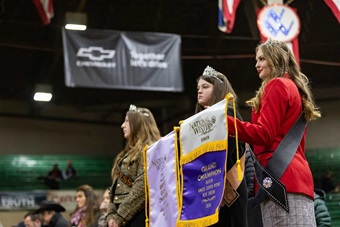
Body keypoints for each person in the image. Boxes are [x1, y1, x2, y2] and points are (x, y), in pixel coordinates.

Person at [226, 38, 321, 226]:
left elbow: (264, 134)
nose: (256, 64)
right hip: (292, 179)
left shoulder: (277, 85)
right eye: (256, 60)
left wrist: (225, 123)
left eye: (261, 59)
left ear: (275, 58)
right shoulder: (293, 87)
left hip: (280, 180)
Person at [195, 66, 247, 227]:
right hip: (209, 186)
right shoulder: (197, 120)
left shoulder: (228, 112)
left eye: (205, 87)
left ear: (217, 89)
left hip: (229, 186)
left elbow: (225, 150)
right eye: (198, 88)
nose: (199, 91)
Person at [105, 105, 161, 227]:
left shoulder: (150, 150)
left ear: (137, 124)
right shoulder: (125, 154)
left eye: (126, 121)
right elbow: (114, 189)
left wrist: (120, 216)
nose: (122, 126)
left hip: (138, 215)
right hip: (122, 215)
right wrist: (110, 214)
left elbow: (142, 188)